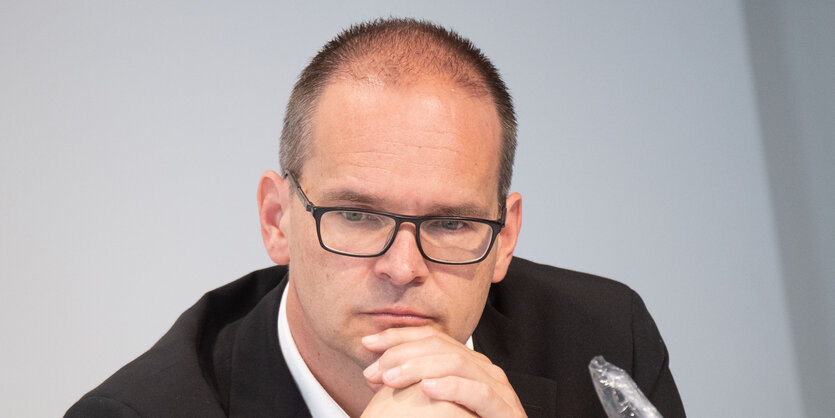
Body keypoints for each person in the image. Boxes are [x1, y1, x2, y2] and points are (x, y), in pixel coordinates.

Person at [66, 18, 685, 417]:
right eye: (357, 215)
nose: (403, 267)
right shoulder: (142, 412)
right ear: (278, 220)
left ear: (505, 238)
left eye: (451, 223)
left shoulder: (605, 338)